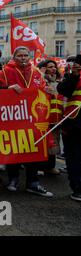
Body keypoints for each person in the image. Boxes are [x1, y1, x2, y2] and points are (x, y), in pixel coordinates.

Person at [0, 46, 53, 197]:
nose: (23, 58)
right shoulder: (5, 72)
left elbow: (42, 88)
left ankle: (32, 182)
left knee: (33, 150)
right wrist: (8, 88)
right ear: (14, 57)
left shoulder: (36, 72)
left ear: (29, 57)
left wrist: (48, 90)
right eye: (20, 55)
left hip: (33, 119)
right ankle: (13, 179)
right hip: (13, 118)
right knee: (14, 149)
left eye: (25, 55)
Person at [57, 54, 81, 202]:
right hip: (74, 124)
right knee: (75, 158)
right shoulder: (72, 77)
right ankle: (78, 188)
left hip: (74, 123)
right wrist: (74, 75)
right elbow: (63, 90)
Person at [37, 60, 63, 176]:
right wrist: (41, 76)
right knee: (42, 143)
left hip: (57, 117)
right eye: (50, 67)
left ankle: (50, 167)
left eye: (54, 67)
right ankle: (39, 167)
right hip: (44, 117)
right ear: (44, 68)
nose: (53, 69)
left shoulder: (59, 81)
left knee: (54, 143)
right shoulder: (41, 80)